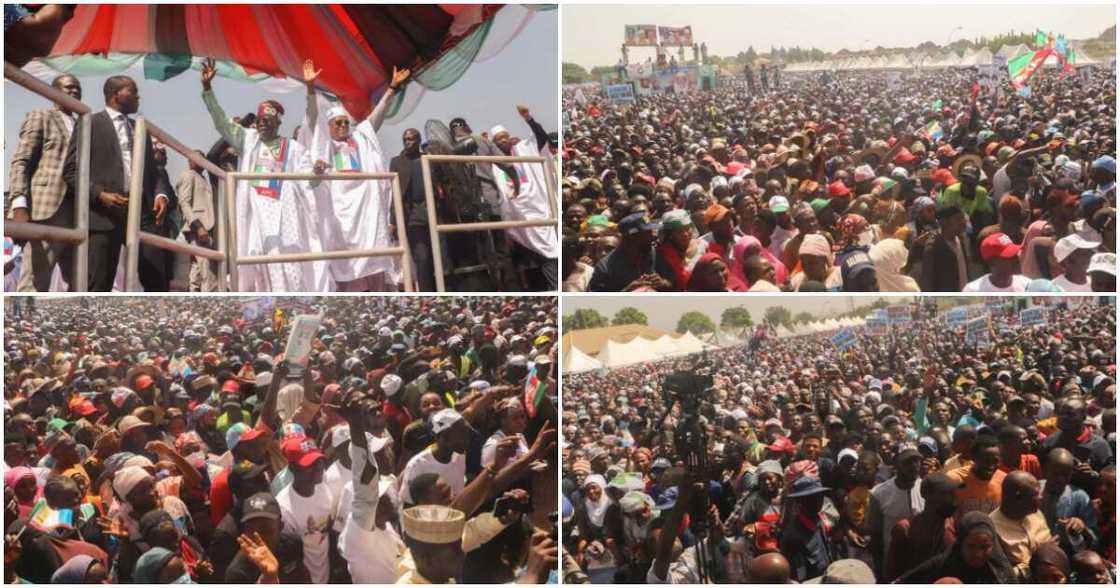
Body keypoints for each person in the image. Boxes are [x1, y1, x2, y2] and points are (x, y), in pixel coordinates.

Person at [200, 57, 326, 292]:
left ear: (277, 123)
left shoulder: (293, 149)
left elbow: (310, 181)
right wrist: (208, 90)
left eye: (267, 121)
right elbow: (222, 122)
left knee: (287, 266)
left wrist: (317, 172)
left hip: (285, 216)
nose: (261, 125)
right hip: (254, 212)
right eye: (258, 121)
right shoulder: (247, 140)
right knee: (253, 262)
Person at [62, 75, 175, 291]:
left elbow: (155, 171)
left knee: (157, 280)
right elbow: (70, 171)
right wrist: (100, 194)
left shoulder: (140, 128)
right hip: (104, 215)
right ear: (116, 95)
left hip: (142, 213)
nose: (138, 96)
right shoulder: (89, 123)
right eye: (133, 91)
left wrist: (161, 194)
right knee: (100, 282)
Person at [305, 61, 410, 292]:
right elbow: (313, 118)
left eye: (345, 123)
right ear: (329, 126)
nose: (343, 127)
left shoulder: (361, 138)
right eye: (337, 124)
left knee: (373, 256)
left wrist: (392, 89)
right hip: (339, 214)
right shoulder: (324, 144)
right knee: (345, 262)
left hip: (366, 212)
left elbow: (376, 118)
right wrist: (310, 88)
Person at [7, 74, 81, 292]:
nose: (75, 91)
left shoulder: (85, 124)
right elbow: (21, 161)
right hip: (48, 209)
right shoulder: (42, 117)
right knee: (36, 280)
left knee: (81, 279)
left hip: (79, 211)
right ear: (54, 92)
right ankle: (20, 324)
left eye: (78, 88)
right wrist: (19, 204)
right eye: (69, 87)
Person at [490, 105, 561, 291]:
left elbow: (541, 138)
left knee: (549, 251)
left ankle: (554, 288)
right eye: (498, 139)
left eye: (505, 136)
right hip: (516, 217)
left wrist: (528, 118)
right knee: (529, 261)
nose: (503, 140)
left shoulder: (523, 149)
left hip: (537, 210)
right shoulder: (493, 164)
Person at [897, 512, 1018, 583]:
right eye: (971, 546)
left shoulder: (1002, 572)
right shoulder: (940, 566)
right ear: (960, 543)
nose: (978, 554)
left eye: (985, 547)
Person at [990, 471, 1052, 580]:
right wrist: (1029, 566)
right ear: (1018, 498)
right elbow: (1000, 576)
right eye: (1036, 494)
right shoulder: (992, 528)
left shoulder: (1036, 513)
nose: (1041, 497)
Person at [175, 150, 220, 292]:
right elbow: (184, 203)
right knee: (208, 271)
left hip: (206, 227)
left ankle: (193, 293)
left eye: (202, 158)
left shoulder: (202, 178)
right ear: (190, 161)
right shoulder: (189, 176)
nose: (198, 161)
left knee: (198, 269)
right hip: (198, 229)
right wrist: (198, 226)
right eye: (194, 158)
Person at [962, 232, 1030, 292]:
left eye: (1015, 254)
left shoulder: (1027, 285)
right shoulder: (973, 290)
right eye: (1009, 256)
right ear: (991, 262)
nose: (1016, 259)